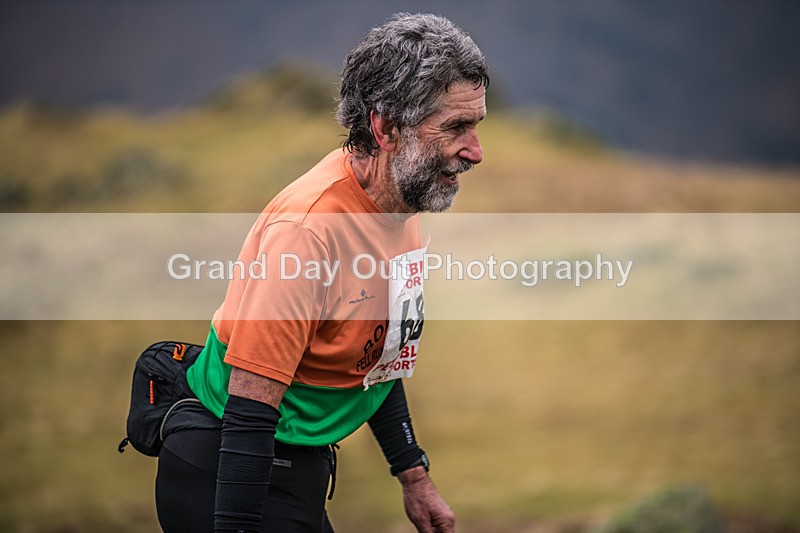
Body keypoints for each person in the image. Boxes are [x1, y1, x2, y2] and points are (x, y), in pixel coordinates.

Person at [155, 13, 487, 533]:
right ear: (385, 128)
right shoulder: (308, 232)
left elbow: (375, 354)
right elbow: (249, 408)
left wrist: (413, 476)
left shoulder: (399, 203)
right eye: (455, 128)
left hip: (296, 466)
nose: (475, 151)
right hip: (227, 463)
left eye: (476, 126)